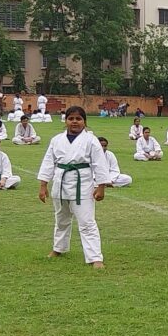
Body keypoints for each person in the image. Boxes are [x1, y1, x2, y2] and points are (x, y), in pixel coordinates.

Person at [37, 106, 110, 269]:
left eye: (78, 119)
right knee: (61, 219)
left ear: (85, 122)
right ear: (66, 121)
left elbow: (99, 164)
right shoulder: (56, 140)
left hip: (82, 184)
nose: (74, 122)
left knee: (87, 222)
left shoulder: (91, 141)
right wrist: (43, 185)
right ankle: (59, 248)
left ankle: (95, 257)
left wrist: (101, 186)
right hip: (60, 181)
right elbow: (48, 162)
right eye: (71, 119)